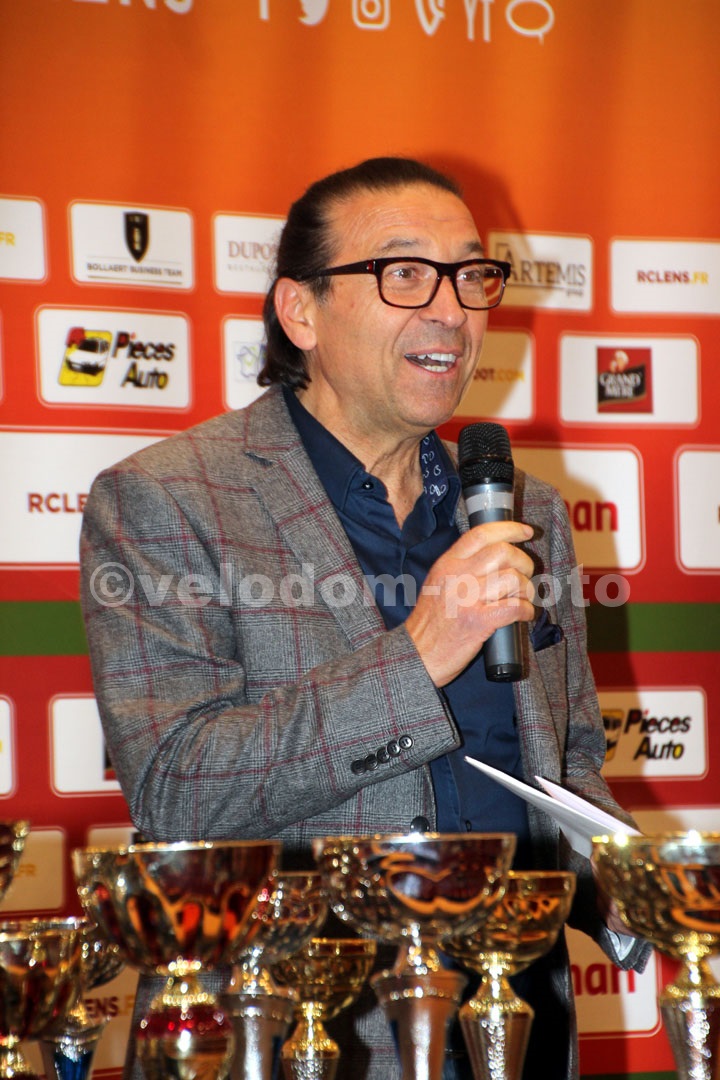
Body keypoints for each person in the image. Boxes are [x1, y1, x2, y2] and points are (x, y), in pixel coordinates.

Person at [79, 156, 648, 1080]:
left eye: (471, 276)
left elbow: (568, 761)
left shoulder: (525, 508)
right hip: (300, 1037)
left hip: (515, 1027)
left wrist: (636, 885)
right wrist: (418, 654)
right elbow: (179, 787)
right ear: (300, 311)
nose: (452, 310)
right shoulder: (168, 498)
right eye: (405, 273)